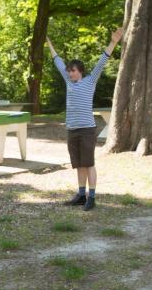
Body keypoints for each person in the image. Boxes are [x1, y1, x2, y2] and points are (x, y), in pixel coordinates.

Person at [46, 27, 123, 211]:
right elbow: (57, 60)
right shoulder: (68, 81)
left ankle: (92, 197)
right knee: (79, 164)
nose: (70, 73)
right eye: (68, 71)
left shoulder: (90, 80)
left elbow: (103, 61)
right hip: (72, 130)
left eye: (72, 71)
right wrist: (48, 42)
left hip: (87, 129)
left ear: (79, 71)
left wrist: (113, 42)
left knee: (88, 164)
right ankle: (81, 195)